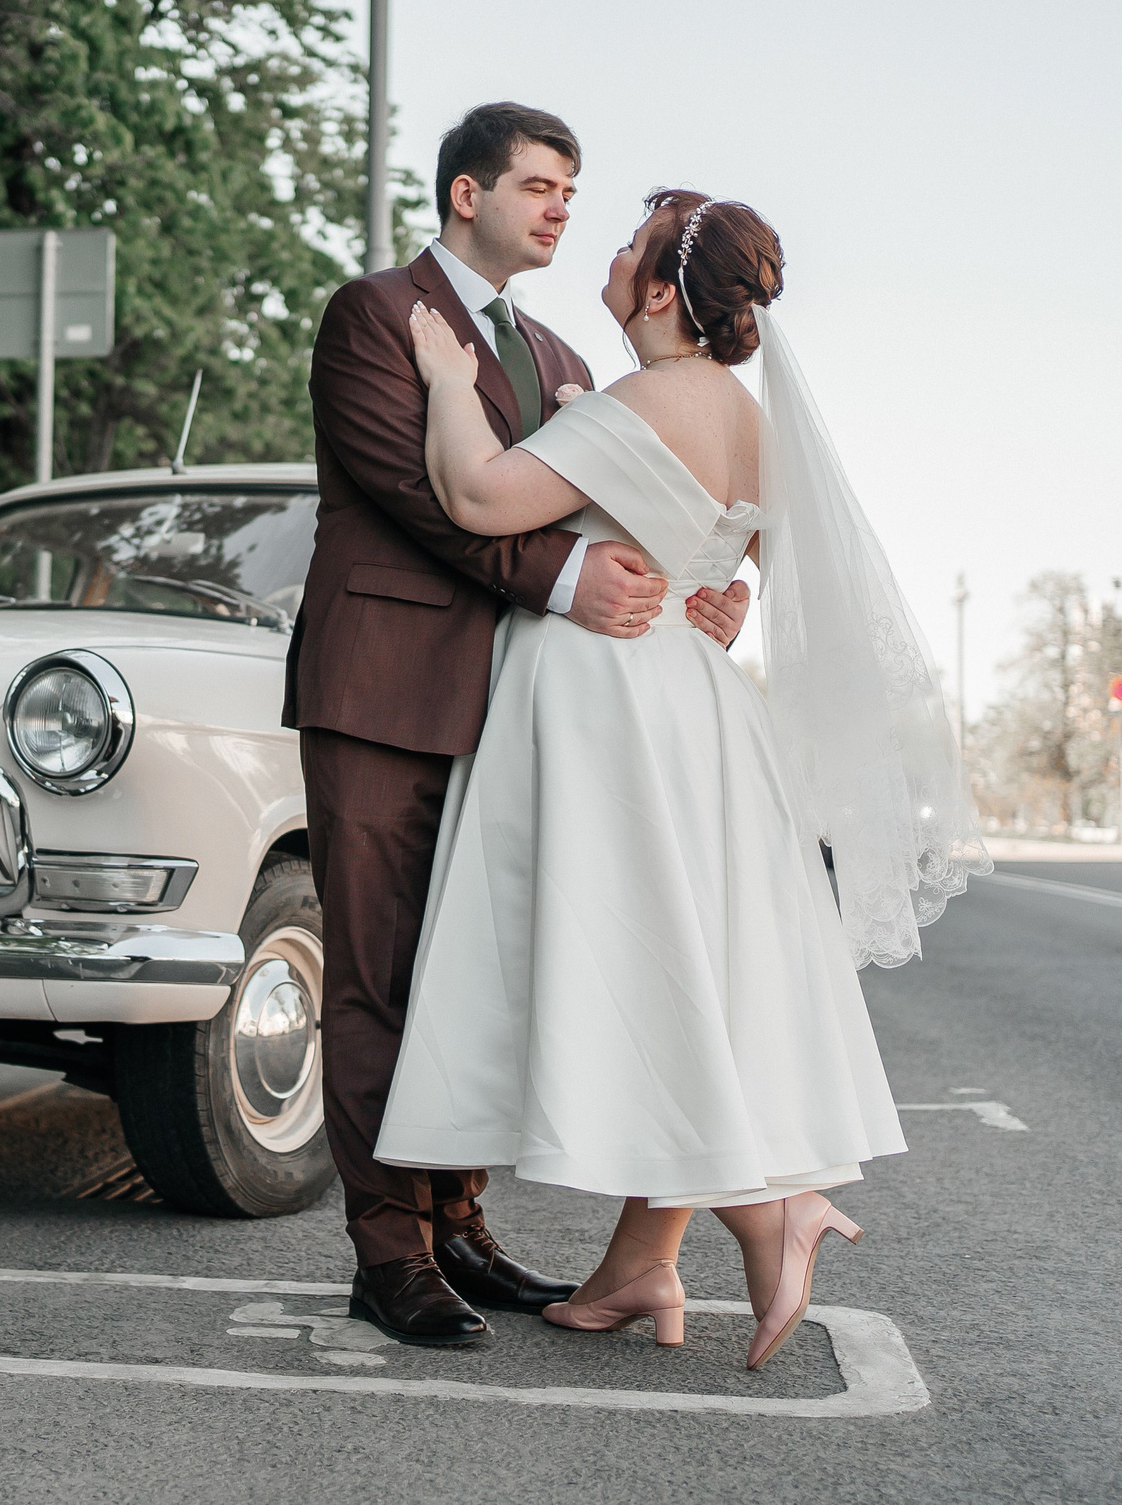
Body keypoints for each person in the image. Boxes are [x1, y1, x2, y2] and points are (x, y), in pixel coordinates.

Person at [374, 188, 989, 1366]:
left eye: (624, 249)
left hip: (606, 705)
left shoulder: (647, 396)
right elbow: (741, 555)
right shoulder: (745, 416)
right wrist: (724, 581)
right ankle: (638, 1270)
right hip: (697, 710)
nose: (602, 256)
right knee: (690, 968)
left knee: (632, 969)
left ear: (659, 291)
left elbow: (476, 497)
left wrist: (451, 384)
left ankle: (769, 1212)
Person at [282, 106, 753, 1348]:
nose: (557, 208)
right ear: (461, 194)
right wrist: (563, 581)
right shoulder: (375, 315)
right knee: (377, 979)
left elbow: (626, 507)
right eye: (536, 185)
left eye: (570, 190)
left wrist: (702, 578)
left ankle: (458, 1226)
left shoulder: (566, 357)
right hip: (380, 693)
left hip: (517, 716)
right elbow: (419, 493)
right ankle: (388, 1256)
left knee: (471, 980)